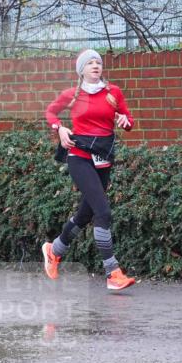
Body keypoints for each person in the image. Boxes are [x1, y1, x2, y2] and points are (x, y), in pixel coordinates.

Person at [42, 49, 135, 291]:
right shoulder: (72, 94)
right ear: (81, 69)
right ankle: (113, 272)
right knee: (102, 211)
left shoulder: (113, 93)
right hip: (79, 156)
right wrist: (59, 128)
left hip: (103, 158)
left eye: (98, 62)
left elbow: (127, 118)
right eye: (90, 63)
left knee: (85, 214)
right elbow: (50, 112)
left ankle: (55, 250)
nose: (95, 65)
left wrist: (125, 122)